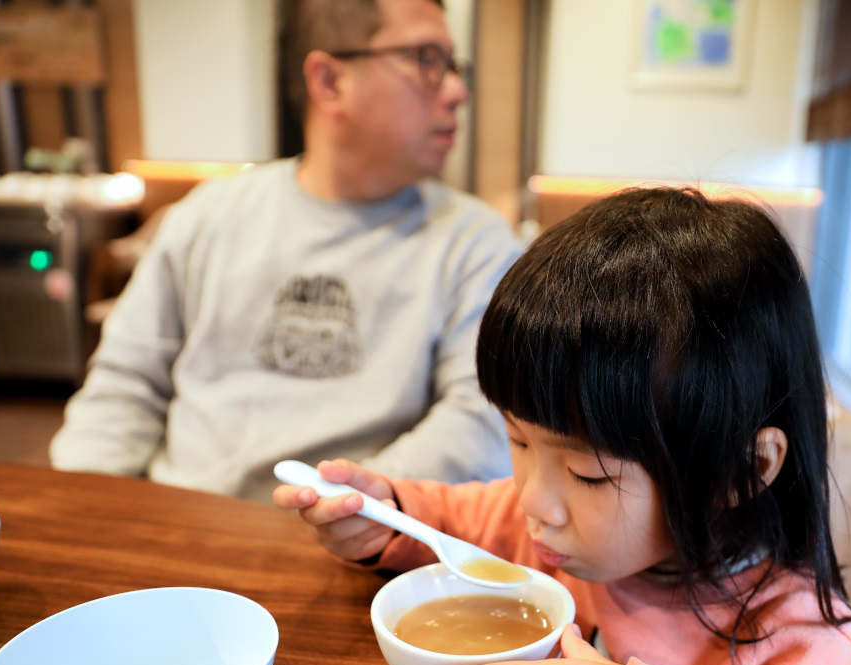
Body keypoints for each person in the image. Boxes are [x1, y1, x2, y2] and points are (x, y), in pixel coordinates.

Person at [274, 188, 851, 665]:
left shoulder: (803, 653)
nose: (534, 500)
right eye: (518, 439)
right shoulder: (546, 527)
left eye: (589, 474)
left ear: (738, 471)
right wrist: (388, 516)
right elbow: (458, 525)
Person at [51, 0, 518, 501]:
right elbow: (125, 386)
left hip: (364, 545)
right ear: (329, 81)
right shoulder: (208, 217)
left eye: (452, 64)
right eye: (425, 59)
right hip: (180, 526)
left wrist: (345, 510)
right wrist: (86, 510)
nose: (457, 90)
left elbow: (481, 421)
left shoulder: (477, 246)